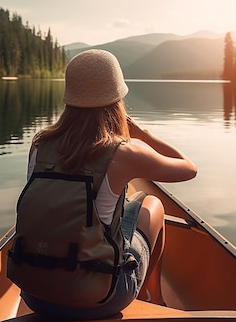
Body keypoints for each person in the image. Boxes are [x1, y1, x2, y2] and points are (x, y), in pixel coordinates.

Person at [21, 49, 197, 319]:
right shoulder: (123, 153)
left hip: (34, 294)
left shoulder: (40, 143)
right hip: (101, 298)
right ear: (116, 99)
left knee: (123, 200)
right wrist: (143, 135)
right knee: (153, 204)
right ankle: (154, 297)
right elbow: (188, 168)